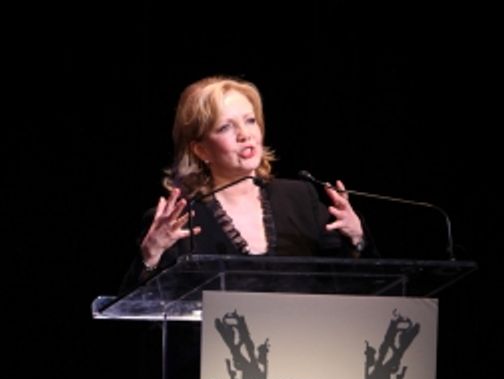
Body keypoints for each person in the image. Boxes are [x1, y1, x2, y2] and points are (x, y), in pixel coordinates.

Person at [122, 75, 367, 292]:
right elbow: (139, 318)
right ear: (200, 149)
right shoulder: (180, 222)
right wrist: (150, 256)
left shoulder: (301, 199)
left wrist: (357, 239)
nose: (245, 134)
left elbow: (356, 287)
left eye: (250, 120)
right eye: (226, 127)